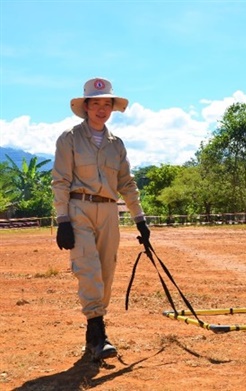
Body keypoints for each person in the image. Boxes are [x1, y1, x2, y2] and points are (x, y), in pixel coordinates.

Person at [51, 77, 151, 361]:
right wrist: (63, 220)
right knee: (89, 268)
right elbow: (60, 180)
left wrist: (140, 219)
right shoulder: (68, 139)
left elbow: (127, 184)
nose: (102, 109)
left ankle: (93, 329)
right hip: (78, 208)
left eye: (107, 104)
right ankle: (98, 333)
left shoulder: (116, 145)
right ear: (86, 106)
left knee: (106, 272)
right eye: (96, 103)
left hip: (109, 211)